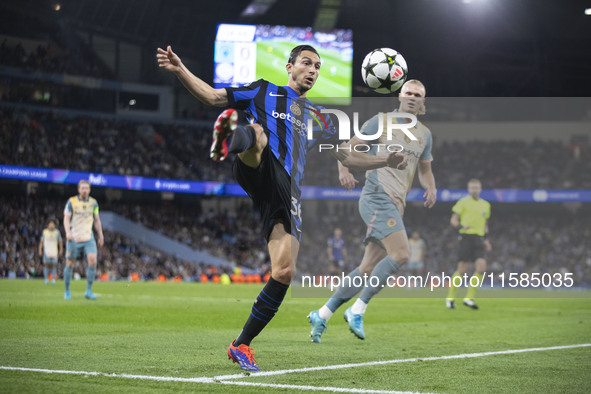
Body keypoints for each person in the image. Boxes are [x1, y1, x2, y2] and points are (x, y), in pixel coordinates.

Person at [156, 44, 406, 371]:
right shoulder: (263, 91)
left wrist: (384, 159)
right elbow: (213, 96)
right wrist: (180, 70)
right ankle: (231, 141)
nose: (313, 70)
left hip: (286, 192)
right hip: (261, 165)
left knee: (285, 273)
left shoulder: (319, 117)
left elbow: (347, 156)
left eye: (317, 66)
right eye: (306, 63)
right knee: (258, 134)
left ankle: (241, 344)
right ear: (289, 67)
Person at [308, 80, 437, 342]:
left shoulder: (425, 134)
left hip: (396, 204)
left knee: (366, 268)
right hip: (377, 195)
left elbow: (425, 170)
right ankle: (357, 310)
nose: (412, 98)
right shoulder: (381, 121)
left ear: (423, 102)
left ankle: (321, 314)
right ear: (399, 95)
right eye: (409, 93)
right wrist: (344, 171)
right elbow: (348, 148)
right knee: (401, 254)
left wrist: (431, 188)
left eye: (418, 95)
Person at [446, 178, 491, 310]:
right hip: (466, 237)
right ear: (468, 189)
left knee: (481, 269)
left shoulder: (486, 205)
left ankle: (469, 298)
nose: (474, 190)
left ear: (480, 189)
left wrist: (487, 240)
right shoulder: (463, 202)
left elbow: (486, 224)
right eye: (472, 187)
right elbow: (453, 220)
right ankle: (450, 298)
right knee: (462, 269)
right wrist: (460, 226)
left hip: (480, 238)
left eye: (476, 187)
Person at [63, 180, 104, 300]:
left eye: (87, 188)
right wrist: (67, 232)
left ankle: (89, 291)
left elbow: (96, 220)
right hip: (74, 237)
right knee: (70, 263)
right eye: (83, 188)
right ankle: (67, 291)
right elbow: (66, 218)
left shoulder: (94, 203)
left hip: (88, 237)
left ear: (90, 190)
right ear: (78, 189)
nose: (85, 190)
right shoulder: (71, 201)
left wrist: (100, 235)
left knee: (93, 261)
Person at [38, 218, 63, 285]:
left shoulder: (57, 232)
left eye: (53, 224)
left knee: (54, 265)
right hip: (47, 251)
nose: (51, 225)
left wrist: (61, 249)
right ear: (48, 225)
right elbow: (41, 242)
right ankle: (46, 279)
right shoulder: (45, 232)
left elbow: (60, 242)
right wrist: (40, 249)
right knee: (46, 265)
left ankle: (53, 279)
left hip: (54, 251)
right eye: (50, 224)